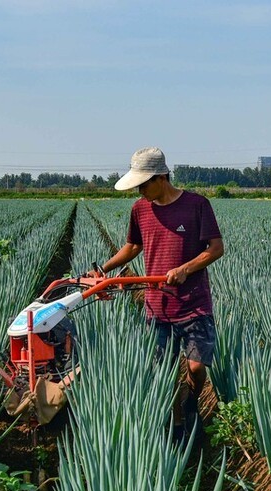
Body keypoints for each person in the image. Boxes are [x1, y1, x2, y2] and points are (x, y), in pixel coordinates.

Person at [96, 146, 224, 440]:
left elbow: (216, 248)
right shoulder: (139, 210)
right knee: (163, 373)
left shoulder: (197, 205)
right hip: (157, 306)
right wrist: (103, 270)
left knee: (196, 366)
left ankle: (191, 400)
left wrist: (186, 268)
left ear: (161, 178)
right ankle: (176, 425)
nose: (139, 190)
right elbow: (133, 247)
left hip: (194, 303)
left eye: (143, 184)